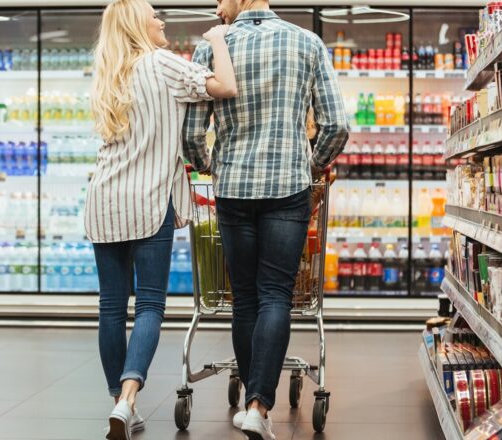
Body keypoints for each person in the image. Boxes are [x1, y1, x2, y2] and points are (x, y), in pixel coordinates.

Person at [183, 0, 349, 439]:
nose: (217, 4)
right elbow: (337, 125)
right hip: (288, 188)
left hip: (234, 188)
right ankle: (258, 405)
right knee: (276, 294)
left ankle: (253, 403)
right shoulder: (307, 42)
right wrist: (311, 166)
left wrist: (210, 166)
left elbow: (191, 134)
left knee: (245, 298)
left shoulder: (212, 47)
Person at [86, 1, 237, 439]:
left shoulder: (109, 71)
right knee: (150, 304)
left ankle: (119, 402)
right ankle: (129, 398)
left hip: (103, 200)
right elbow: (225, 86)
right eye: (155, 14)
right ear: (138, 23)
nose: (162, 21)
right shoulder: (164, 64)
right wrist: (217, 39)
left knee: (111, 307)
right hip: (149, 201)